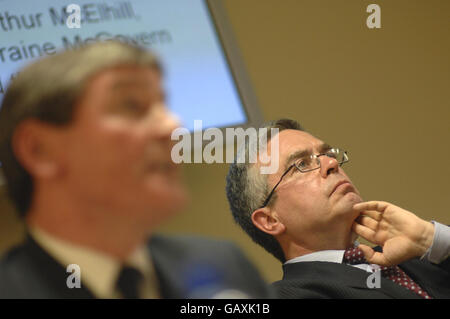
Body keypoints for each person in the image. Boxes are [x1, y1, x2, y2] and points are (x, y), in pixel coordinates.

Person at [0, 41, 271, 299]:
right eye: (131, 105)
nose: (172, 126)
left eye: (162, 104)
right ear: (39, 150)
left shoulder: (225, 268)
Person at [226, 118, 450, 299]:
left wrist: (430, 238)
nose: (331, 164)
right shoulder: (286, 296)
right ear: (270, 220)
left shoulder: (420, 251)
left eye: (328, 155)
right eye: (301, 164)